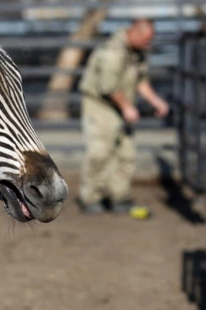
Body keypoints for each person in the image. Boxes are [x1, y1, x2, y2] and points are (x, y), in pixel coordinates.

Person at [77, 18, 169, 214]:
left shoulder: (136, 53)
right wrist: (127, 107)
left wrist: (156, 101)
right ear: (134, 32)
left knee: (126, 153)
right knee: (100, 152)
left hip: (121, 105)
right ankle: (91, 197)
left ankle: (119, 195)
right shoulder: (113, 51)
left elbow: (141, 80)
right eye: (146, 39)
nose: (148, 43)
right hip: (100, 105)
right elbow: (108, 86)